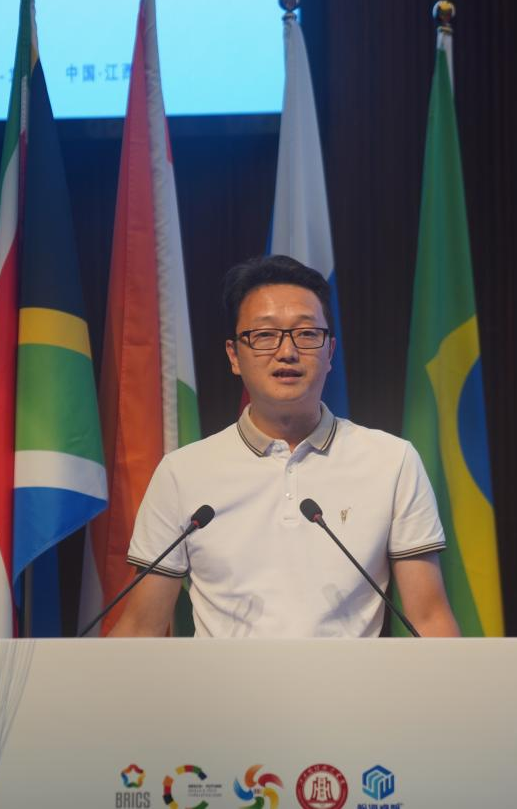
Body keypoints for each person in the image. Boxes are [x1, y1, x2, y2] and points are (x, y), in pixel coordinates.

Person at [109, 255, 460, 637]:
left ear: (330, 352)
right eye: (264, 335)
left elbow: (429, 618)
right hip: (225, 678)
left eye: (306, 334)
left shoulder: (392, 461)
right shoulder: (182, 472)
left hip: (348, 678)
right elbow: (141, 627)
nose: (287, 351)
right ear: (234, 356)